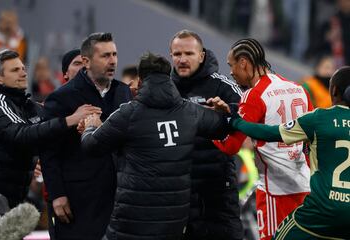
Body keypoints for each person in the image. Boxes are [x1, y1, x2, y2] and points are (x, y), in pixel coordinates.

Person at [81, 52, 230, 240]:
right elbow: (223, 128)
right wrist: (222, 112)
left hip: (133, 219)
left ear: (140, 80)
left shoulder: (129, 114)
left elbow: (91, 146)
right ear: (168, 76)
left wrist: (90, 126)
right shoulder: (190, 111)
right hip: (175, 219)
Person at [220, 66, 350, 240]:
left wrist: (235, 121)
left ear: (333, 91)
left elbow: (270, 134)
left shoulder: (320, 118)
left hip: (321, 211)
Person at [213, 38, 313, 240]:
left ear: (243, 62)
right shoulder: (298, 88)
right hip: (305, 186)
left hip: (275, 190)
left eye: (231, 65)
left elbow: (231, 146)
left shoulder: (254, 95)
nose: (231, 73)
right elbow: (311, 140)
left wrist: (207, 132)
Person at [41, 32, 132, 240]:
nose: (113, 61)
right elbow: (48, 151)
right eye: (105, 56)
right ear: (86, 61)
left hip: (118, 196)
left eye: (115, 54)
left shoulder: (123, 92)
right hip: (78, 198)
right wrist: (57, 194)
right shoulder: (62, 96)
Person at [0, 49, 100, 208]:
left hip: (12, 194)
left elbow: (47, 130)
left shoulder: (27, 105)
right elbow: (20, 134)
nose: (23, 73)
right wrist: (69, 120)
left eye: (23, 68)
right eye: (15, 70)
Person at [169, 29, 243, 240]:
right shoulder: (165, 88)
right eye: (177, 54)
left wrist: (228, 111)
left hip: (217, 186)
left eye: (189, 54)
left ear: (201, 56)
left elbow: (247, 112)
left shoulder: (222, 85)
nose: (182, 59)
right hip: (178, 188)